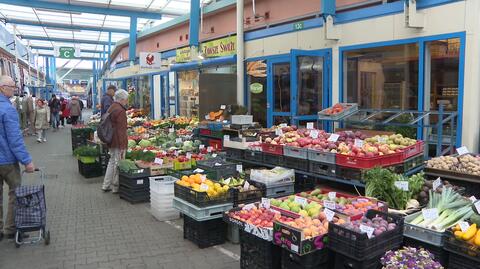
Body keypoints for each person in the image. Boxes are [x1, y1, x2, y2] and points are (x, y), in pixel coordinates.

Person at [0, 75, 35, 241]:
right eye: (12, 87)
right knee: (15, 193)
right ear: (2, 88)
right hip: (6, 161)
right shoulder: (7, 109)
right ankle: (10, 229)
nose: (15, 89)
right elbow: (14, 140)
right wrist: (27, 161)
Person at [102, 89, 128, 193]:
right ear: (122, 99)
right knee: (119, 163)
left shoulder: (112, 107)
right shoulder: (120, 111)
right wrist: (122, 146)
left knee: (112, 161)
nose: (126, 102)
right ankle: (116, 187)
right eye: (126, 100)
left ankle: (106, 184)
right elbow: (121, 130)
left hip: (111, 139)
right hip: (118, 141)